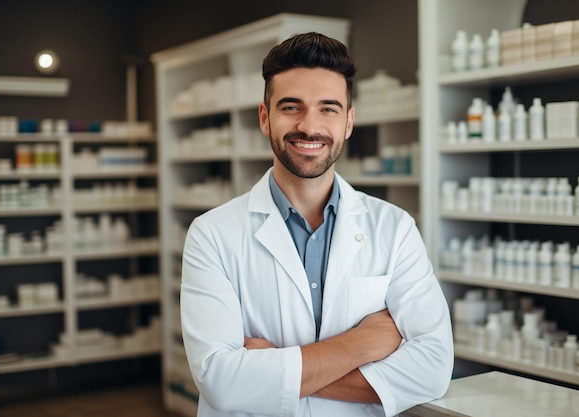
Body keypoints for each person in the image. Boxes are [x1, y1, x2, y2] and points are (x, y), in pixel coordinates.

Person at [181, 31, 453, 417]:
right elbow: (221, 381)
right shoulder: (212, 234)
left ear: (348, 122)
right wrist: (364, 342)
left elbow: (433, 370)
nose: (309, 126)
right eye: (291, 107)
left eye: (328, 108)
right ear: (265, 118)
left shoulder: (395, 228)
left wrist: (275, 366)